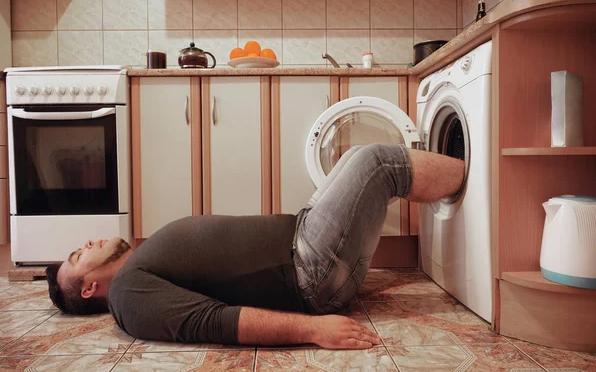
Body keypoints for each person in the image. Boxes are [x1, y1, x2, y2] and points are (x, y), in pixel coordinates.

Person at [46, 144, 464, 350]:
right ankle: (488, 183)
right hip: (311, 271)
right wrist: (314, 331)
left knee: (356, 154)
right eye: (79, 255)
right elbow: (214, 322)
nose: (87, 244)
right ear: (88, 289)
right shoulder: (127, 296)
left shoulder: (137, 275)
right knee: (376, 164)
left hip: (304, 238)